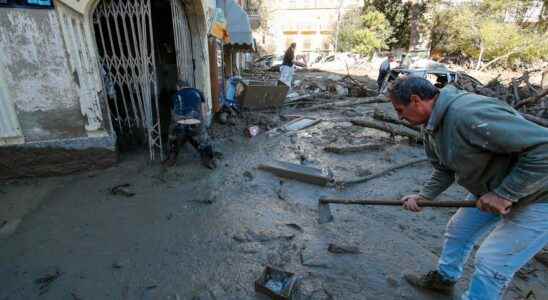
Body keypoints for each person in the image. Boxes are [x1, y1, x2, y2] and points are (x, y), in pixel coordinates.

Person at [387, 76, 548, 299]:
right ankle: (444, 280)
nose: (399, 117)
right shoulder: (431, 124)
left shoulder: (468, 114)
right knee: (458, 231)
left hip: (540, 195)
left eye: (400, 109)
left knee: (492, 262)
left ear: (416, 100)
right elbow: (444, 168)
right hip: (493, 186)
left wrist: (505, 194)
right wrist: (425, 196)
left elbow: (544, 148)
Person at [164, 80, 216, 169]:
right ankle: (208, 160)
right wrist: (201, 125)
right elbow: (204, 110)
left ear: (178, 87)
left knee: (173, 139)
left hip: (180, 122)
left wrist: (172, 129)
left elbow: (173, 114)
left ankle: (171, 160)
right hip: (195, 121)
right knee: (203, 140)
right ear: (188, 86)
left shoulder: (175, 96)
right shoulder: (199, 92)